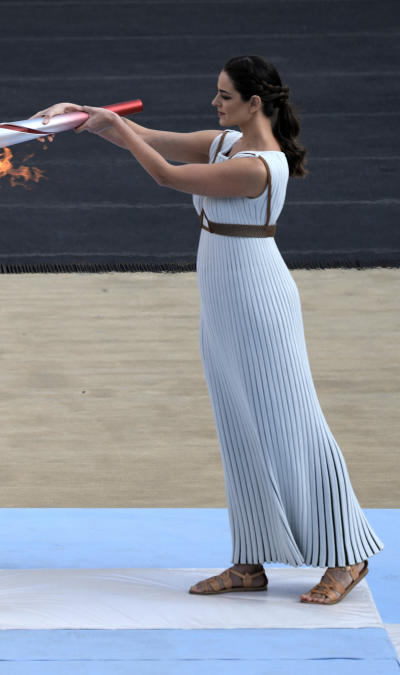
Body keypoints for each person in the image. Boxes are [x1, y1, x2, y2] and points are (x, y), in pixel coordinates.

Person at [34, 55, 382, 605]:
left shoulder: (260, 165)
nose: (214, 104)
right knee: (239, 428)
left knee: (293, 424)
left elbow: (166, 174)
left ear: (254, 103)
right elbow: (147, 138)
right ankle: (250, 562)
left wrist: (119, 127)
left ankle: (347, 552)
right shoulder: (225, 144)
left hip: (259, 300)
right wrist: (88, 117)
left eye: (224, 96)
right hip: (221, 296)